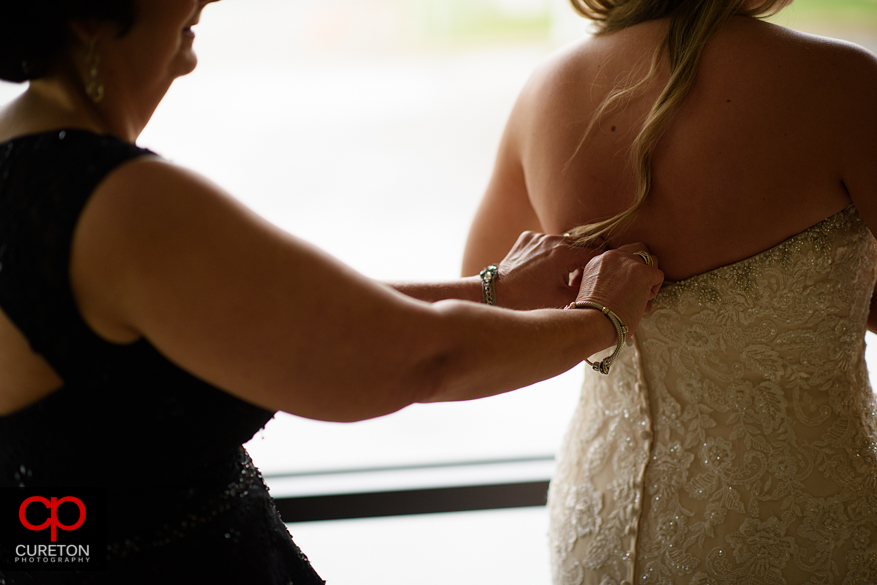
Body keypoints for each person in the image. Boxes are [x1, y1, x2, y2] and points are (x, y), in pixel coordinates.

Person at [0, 0, 665, 583]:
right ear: (88, 14)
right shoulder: (115, 199)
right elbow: (416, 358)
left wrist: (488, 290)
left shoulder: (24, 169)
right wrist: (599, 318)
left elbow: (274, 309)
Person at [462, 0, 877, 583]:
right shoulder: (843, 84)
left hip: (598, 522)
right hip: (803, 521)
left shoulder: (546, 93)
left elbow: (481, 307)